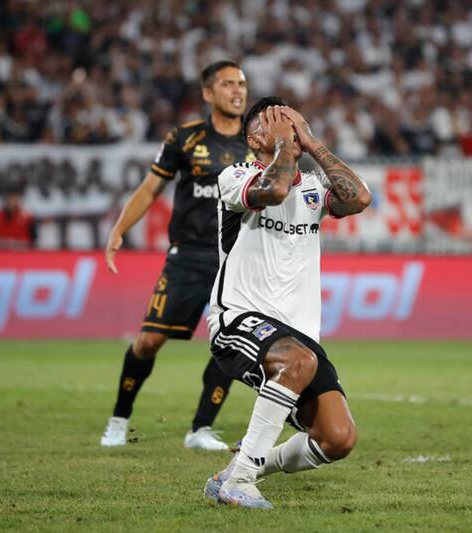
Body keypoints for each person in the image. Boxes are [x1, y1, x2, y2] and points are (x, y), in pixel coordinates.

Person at [201, 97, 371, 508]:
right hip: (238, 319)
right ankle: (240, 481)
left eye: (292, 122)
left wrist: (311, 144)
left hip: (299, 339)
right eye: (275, 122)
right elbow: (275, 189)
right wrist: (283, 147)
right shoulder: (235, 176)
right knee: (297, 361)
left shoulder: (314, 190)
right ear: (253, 136)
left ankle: (246, 463)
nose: (287, 129)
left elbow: (360, 199)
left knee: (338, 438)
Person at [100, 60, 252, 450]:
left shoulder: (256, 144)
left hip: (235, 258)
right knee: (149, 341)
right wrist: (119, 229)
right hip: (187, 256)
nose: (238, 90)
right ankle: (118, 420)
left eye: (242, 84)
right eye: (228, 84)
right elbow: (151, 189)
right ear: (208, 93)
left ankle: (200, 429)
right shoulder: (184, 138)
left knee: (231, 345)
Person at [0, 185, 36, 249]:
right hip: (0, 253)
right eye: (10, 197)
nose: (12, 201)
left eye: (15, 197)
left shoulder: (28, 217)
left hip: (21, 253)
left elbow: (33, 239)